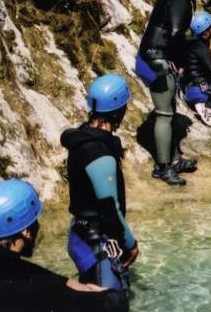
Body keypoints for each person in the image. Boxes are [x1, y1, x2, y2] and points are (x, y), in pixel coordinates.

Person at [0, 179, 127, 312]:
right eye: (35, 222)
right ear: (26, 232)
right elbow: (113, 304)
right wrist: (107, 293)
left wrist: (71, 285)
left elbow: (26, 272)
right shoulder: (25, 288)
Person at [61, 74, 139, 291]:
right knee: (111, 300)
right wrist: (131, 244)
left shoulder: (82, 137)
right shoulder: (99, 152)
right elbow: (110, 207)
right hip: (96, 242)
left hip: (79, 235)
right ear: (118, 112)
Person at [134, 0, 200, 186]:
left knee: (168, 108)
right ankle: (162, 168)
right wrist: (179, 62)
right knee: (164, 114)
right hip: (156, 61)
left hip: (153, 56)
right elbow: (176, 33)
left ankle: (174, 159)